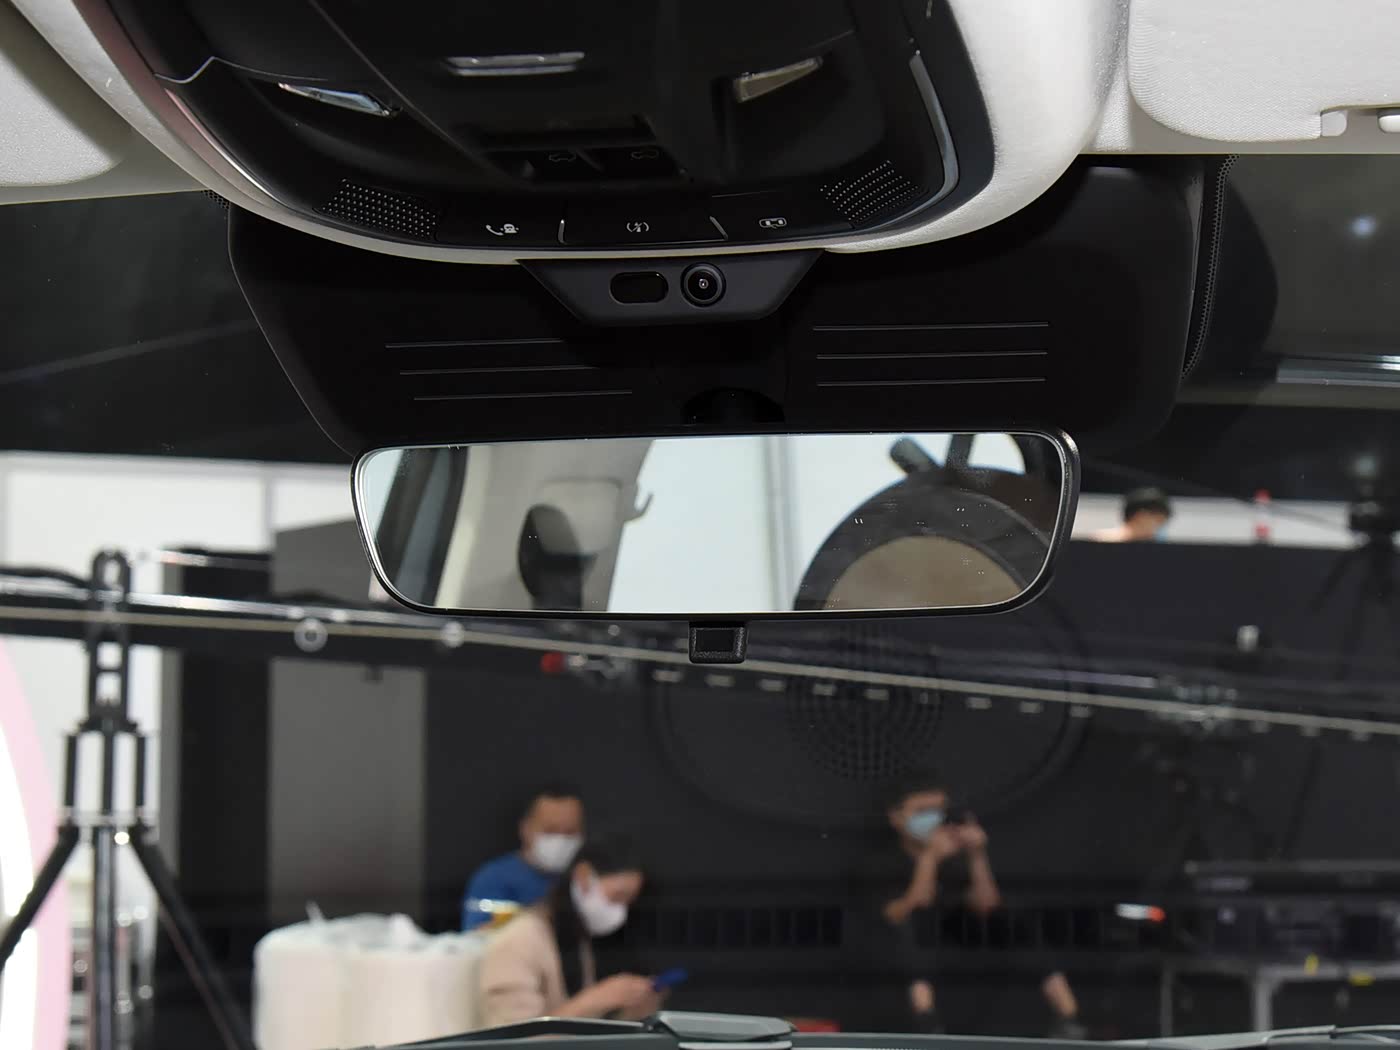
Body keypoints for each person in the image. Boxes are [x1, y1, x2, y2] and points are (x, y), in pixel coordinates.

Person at [865, 775, 1085, 1037]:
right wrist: (929, 857)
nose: (932, 819)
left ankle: (1069, 1016)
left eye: (938, 810)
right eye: (922, 811)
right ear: (896, 816)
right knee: (917, 927)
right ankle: (926, 1022)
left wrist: (977, 855)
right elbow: (904, 912)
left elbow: (988, 905)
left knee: (1014, 919)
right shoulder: (880, 863)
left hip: (961, 941)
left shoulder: (956, 859)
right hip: (905, 951)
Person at [477, 834, 660, 1026]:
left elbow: (582, 1030)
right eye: (617, 897)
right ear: (583, 876)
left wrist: (634, 1014)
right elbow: (513, 1036)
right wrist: (597, 998)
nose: (621, 911)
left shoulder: (574, 936)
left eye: (628, 902)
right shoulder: (518, 940)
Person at [462, 784, 585, 931]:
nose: (561, 840)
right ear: (525, 829)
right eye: (551, 831)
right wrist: (542, 914)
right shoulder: (493, 879)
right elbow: (476, 936)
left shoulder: (587, 876)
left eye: (570, 832)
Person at [1091, 486, 1173, 543]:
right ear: (1141, 515)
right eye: (1159, 520)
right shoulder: (1101, 540)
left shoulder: (1157, 547)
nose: (1159, 527)